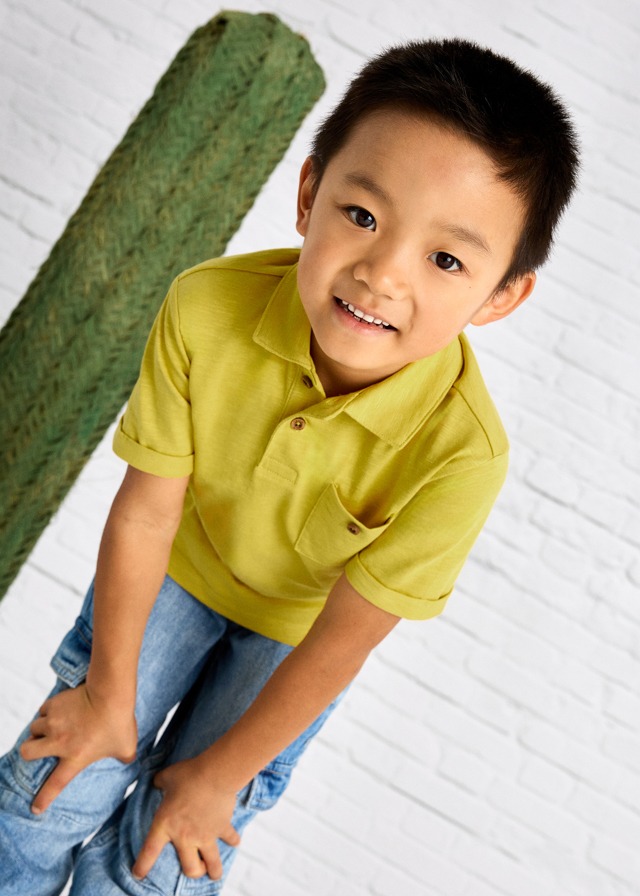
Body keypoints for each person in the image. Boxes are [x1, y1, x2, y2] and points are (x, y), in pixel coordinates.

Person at [0, 37, 579, 895]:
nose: (382, 274)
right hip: (175, 569)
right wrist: (106, 695)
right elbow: (147, 510)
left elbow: (346, 637)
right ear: (309, 195)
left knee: (164, 857)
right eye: (364, 216)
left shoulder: (464, 455)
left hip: (296, 638)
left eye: (446, 259)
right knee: (47, 789)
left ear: (501, 295)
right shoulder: (206, 306)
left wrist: (217, 778)